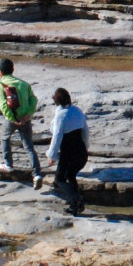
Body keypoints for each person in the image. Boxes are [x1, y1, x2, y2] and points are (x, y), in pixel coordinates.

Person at [0, 58, 42, 187]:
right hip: (25, 118)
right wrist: (28, 115)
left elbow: (3, 106)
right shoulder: (24, 84)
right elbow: (34, 100)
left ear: (0, 72)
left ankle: (8, 164)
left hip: (12, 119)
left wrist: (13, 119)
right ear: (13, 70)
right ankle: (37, 174)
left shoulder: (0, 86)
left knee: (5, 138)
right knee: (29, 146)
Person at [46, 87, 90, 215]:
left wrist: (51, 155)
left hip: (69, 154)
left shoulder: (61, 116)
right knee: (71, 176)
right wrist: (86, 147)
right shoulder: (77, 110)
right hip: (81, 152)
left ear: (57, 101)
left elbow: (56, 137)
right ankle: (75, 207)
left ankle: (77, 199)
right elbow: (86, 131)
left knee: (59, 179)